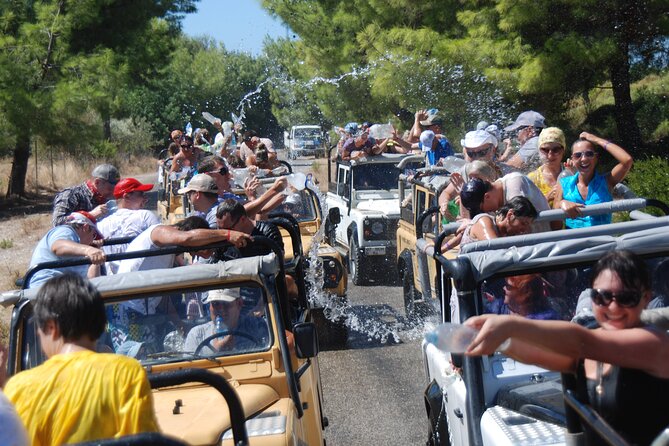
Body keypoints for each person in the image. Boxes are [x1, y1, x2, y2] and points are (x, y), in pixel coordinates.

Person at [464, 250, 669, 445]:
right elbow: (539, 356)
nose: (613, 307)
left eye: (627, 298)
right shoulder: (592, 344)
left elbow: (582, 342)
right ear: (591, 297)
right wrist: (498, 341)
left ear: (646, 298)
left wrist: (511, 325)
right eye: (602, 297)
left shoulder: (654, 344)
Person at [3, 274, 159, 444]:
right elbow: (145, 441)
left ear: (51, 327)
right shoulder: (127, 372)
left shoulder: (19, 387)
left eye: (39, 331)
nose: (39, 337)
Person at [116, 216, 251, 274]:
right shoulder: (159, 231)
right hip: (129, 306)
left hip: (143, 307)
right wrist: (227, 234)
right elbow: (187, 238)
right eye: (194, 251)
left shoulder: (169, 254)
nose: (192, 254)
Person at [554, 132, 633, 229]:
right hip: (574, 242)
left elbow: (627, 161)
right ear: (572, 160)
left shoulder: (607, 181)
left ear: (596, 158)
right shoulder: (564, 183)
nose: (583, 159)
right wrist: (562, 203)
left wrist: (597, 140)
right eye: (578, 155)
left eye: (589, 154)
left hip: (602, 241)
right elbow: (554, 224)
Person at [27, 211, 106, 289]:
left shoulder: (78, 249)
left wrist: (96, 259)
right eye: (94, 235)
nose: (93, 240)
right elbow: (57, 247)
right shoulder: (65, 231)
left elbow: (93, 281)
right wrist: (88, 250)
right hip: (48, 289)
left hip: (66, 290)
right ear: (86, 227)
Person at [97, 178, 159, 274]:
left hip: (114, 281)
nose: (145, 199)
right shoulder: (145, 216)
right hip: (145, 276)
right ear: (126, 196)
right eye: (141, 194)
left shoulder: (101, 225)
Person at [458, 172, 556, 231]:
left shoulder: (515, 184)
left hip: (543, 245)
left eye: (482, 209)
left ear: (487, 197)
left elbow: (514, 225)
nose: (484, 213)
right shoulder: (494, 197)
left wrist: (474, 224)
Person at [184, 288, 269, 354]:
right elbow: (191, 373)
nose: (221, 309)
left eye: (226, 303)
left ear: (239, 304)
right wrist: (217, 353)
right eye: (215, 304)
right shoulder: (197, 335)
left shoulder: (258, 327)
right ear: (209, 306)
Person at [52, 164, 120, 225]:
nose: (113, 192)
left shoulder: (108, 198)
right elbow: (58, 222)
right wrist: (89, 215)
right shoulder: (71, 195)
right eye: (111, 188)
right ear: (97, 182)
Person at [459, 193, 538, 246]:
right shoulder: (484, 221)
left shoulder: (508, 233)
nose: (525, 229)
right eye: (523, 223)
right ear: (510, 215)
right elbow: (494, 247)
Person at [527, 127, 571, 207]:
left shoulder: (571, 173)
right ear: (539, 151)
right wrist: (547, 197)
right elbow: (526, 212)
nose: (550, 155)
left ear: (563, 151)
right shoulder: (532, 179)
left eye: (556, 150)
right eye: (545, 150)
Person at [484, 274, 561, 320]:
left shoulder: (547, 318)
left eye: (508, 286)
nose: (503, 288)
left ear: (526, 291)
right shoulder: (498, 308)